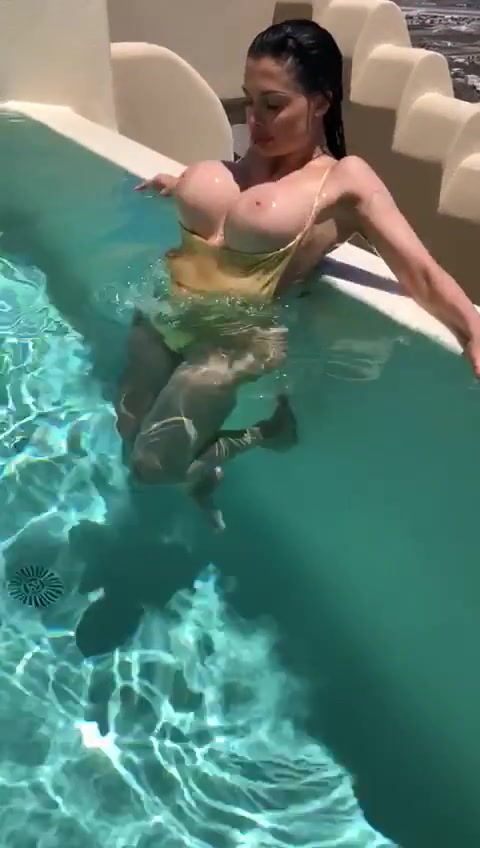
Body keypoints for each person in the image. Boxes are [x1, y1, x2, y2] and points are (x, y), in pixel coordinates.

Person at [119, 18, 480, 529]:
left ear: (320, 102)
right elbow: (226, 210)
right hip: (163, 313)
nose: (255, 119)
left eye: (274, 105)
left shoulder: (345, 181)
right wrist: (181, 185)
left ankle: (264, 434)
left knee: (151, 466)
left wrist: (472, 328)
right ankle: (203, 478)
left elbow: (418, 269)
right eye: (250, 101)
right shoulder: (245, 165)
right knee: (128, 433)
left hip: (229, 344)